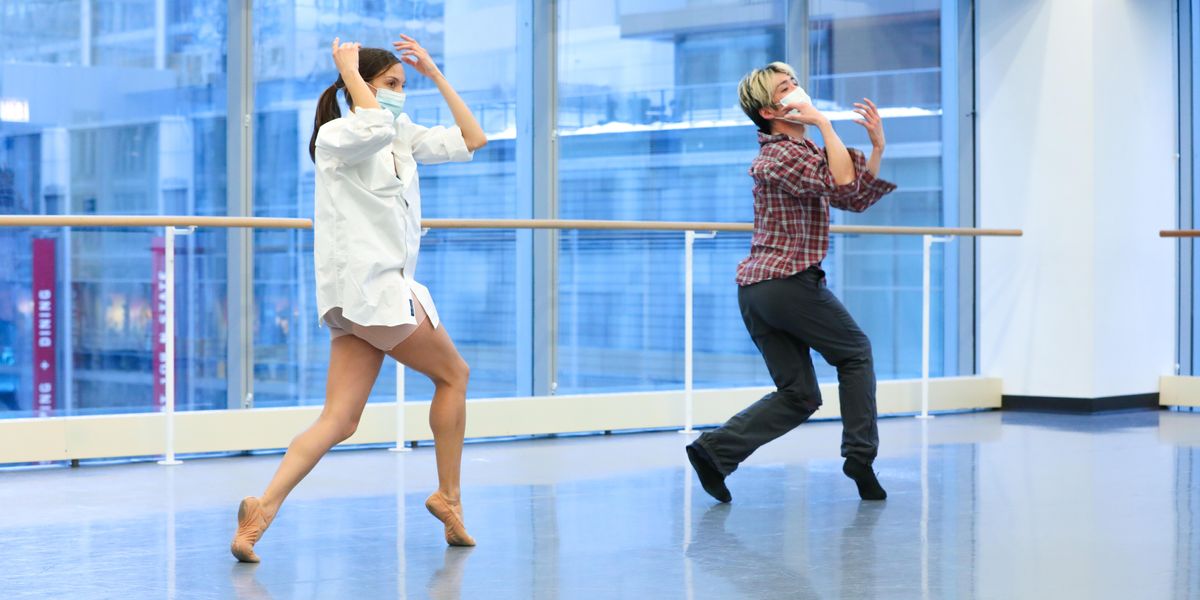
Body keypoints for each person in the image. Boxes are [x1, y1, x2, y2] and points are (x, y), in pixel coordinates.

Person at [231, 35, 487, 562]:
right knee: (454, 376)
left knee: (340, 419)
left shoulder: (399, 134)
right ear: (361, 86)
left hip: (363, 303)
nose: (399, 94)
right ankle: (449, 496)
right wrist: (349, 72)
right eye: (390, 83)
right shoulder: (339, 135)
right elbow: (372, 125)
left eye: (403, 85)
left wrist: (435, 74)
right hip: (374, 294)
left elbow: (472, 137)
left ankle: (260, 513)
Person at [687, 62, 896, 504]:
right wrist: (824, 123)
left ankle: (714, 452)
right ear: (769, 111)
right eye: (786, 88)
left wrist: (876, 148)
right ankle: (860, 458)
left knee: (799, 395)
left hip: (762, 290)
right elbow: (842, 178)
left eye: (795, 82)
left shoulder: (805, 152)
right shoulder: (778, 156)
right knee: (855, 353)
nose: (798, 90)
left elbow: (852, 196)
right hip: (785, 283)